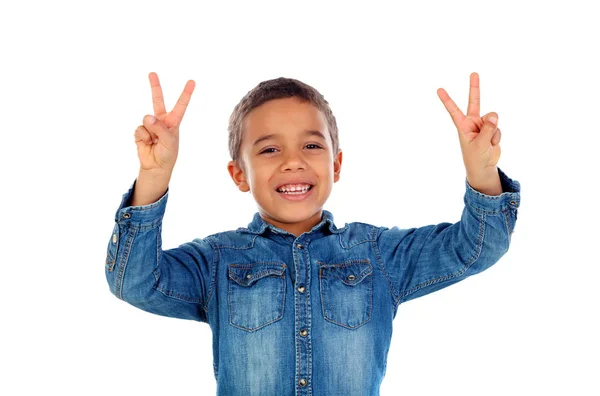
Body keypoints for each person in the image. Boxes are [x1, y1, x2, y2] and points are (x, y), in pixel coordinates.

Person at [105, 71, 520, 395]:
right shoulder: (217, 260)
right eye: (269, 149)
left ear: (336, 165)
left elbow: (475, 248)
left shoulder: (378, 255)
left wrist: (481, 172)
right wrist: (154, 177)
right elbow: (135, 281)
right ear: (238, 174)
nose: (292, 162)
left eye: (311, 146)